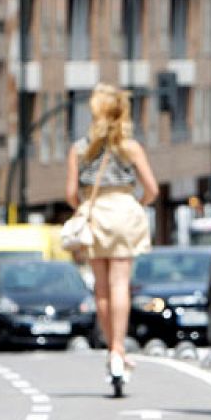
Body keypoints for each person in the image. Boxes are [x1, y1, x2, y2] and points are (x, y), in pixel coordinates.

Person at [64, 83, 159, 387]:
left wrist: (86, 209)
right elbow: (152, 190)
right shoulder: (130, 147)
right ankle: (120, 348)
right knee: (121, 284)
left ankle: (111, 349)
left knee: (101, 288)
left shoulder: (79, 148)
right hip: (124, 210)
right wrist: (136, 205)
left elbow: (70, 194)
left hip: (96, 213)